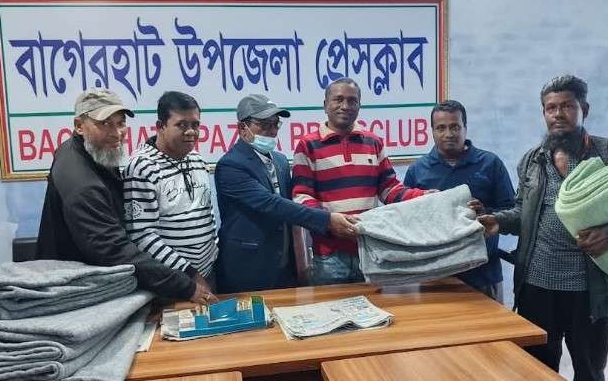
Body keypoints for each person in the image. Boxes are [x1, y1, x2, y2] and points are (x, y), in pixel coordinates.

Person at [476, 75, 608, 380]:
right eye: (550, 108)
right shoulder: (532, 161)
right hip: (537, 289)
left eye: (567, 106)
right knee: (536, 372)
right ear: (544, 113)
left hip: (590, 292)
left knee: (590, 372)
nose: (558, 114)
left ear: (584, 109)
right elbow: (524, 213)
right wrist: (498, 220)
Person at [37, 89, 213, 304]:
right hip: (72, 289)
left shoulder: (97, 153)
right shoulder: (81, 180)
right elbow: (113, 248)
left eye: (120, 123)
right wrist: (185, 285)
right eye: (105, 124)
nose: (116, 133)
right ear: (79, 126)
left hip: (97, 281)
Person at [292, 77, 430, 285]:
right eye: (338, 99)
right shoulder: (307, 145)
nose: (345, 106)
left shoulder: (373, 142)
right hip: (329, 256)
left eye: (352, 100)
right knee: (331, 306)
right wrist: (329, 221)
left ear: (359, 106)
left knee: (375, 306)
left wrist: (422, 197)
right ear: (325, 105)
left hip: (369, 251)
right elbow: (302, 196)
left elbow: (389, 189)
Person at [215, 94, 359, 293]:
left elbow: (294, 205)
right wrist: (327, 220)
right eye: (264, 125)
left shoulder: (280, 161)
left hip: (284, 266)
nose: (272, 131)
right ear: (242, 128)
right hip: (247, 268)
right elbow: (271, 204)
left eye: (275, 124)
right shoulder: (230, 166)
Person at [404, 100, 515, 302]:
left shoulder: (490, 164)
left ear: (465, 127)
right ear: (432, 131)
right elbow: (407, 222)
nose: (449, 134)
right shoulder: (417, 170)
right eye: (441, 128)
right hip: (434, 277)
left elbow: (512, 212)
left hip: (483, 275)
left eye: (455, 126)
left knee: (491, 324)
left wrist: (486, 213)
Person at [123, 91, 218, 298]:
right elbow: (142, 236)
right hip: (172, 281)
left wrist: (213, 255)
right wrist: (189, 274)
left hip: (208, 272)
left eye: (195, 125)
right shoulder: (142, 167)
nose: (191, 132)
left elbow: (207, 213)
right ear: (160, 126)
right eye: (182, 125)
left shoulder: (197, 160)